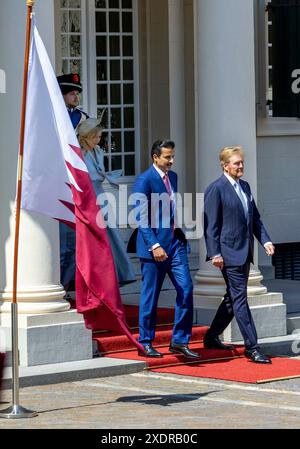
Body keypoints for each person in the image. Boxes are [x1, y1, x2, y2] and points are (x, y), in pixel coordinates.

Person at [127, 139, 199, 359]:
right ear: (155, 157)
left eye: (172, 156)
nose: (171, 161)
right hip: (154, 248)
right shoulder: (144, 180)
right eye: (167, 157)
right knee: (151, 295)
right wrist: (155, 245)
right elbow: (140, 217)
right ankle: (145, 341)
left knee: (186, 289)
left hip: (175, 244)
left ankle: (179, 341)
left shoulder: (173, 177)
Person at [203, 145, 275, 364]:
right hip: (228, 253)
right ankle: (252, 347)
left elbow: (254, 218)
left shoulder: (245, 186)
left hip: (245, 252)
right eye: (237, 163)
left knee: (233, 298)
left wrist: (265, 240)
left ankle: (211, 335)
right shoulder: (216, 188)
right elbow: (211, 225)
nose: (241, 166)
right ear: (226, 166)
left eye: (242, 162)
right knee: (240, 298)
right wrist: (214, 252)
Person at [77, 118, 136, 285]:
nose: (98, 140)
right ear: (85, 137)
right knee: (93, 239)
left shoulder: (98, 151)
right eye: (95, 137)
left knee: (112, 234)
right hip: (86, 197)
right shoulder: (78, 154)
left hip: (100, 195)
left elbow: (99, 172)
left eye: (99, 137)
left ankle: (121, 274)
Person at [56, 73, 89, 294]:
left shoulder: (83, 118)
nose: (76, 96)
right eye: (71, 93)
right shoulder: (55, 116)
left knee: (75, 239)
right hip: (60, 178)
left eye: (77, 93)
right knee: (63, 241)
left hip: (78, 180)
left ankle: (70, 282)